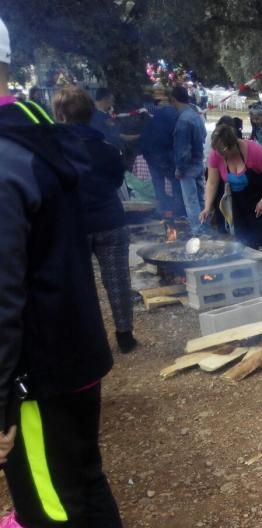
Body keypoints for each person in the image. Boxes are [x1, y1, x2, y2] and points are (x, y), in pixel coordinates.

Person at [0, 18, 152, 528]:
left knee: (47, 497)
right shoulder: (38, 134)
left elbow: (2, 294)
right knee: (84, 477)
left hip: (37, 365)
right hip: (77, 349)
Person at [52, 86, 138, 353]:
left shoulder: (55, 149)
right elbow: (116, 181)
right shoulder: (107, 147)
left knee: (79, 285)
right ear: (91, 114)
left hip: (73, 224)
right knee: (118, 280)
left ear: (60, 115)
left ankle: (88, 340)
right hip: (110, 220)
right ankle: (125, 335)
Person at [201, 122, 262, 277]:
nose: (221, 156)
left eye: (224, 152)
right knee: (243, 231)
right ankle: (250, 269)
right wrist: (207, 207)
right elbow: (212, 182)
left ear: (233, 145)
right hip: (241, 195)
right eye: (218, 152)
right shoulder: (216, 155)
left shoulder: (254, 151)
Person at [138, 84, 183, 219]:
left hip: (149, 151)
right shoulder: (175, 114)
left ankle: (162, 211)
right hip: (162, 153)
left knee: (158, 183)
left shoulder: (159, 112)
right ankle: (177, 211)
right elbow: (176, 139)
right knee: (175, 181)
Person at [169, 84, 207, 233]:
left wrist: (180, 168)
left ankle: (198, 232)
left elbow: (183, 149)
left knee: (191, 202)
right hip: (198, 162)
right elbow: (203, 136)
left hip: (188, 166)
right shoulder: (195, 116)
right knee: (201, 199)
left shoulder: (183, 120)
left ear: (174, 99)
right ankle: (206, 228)